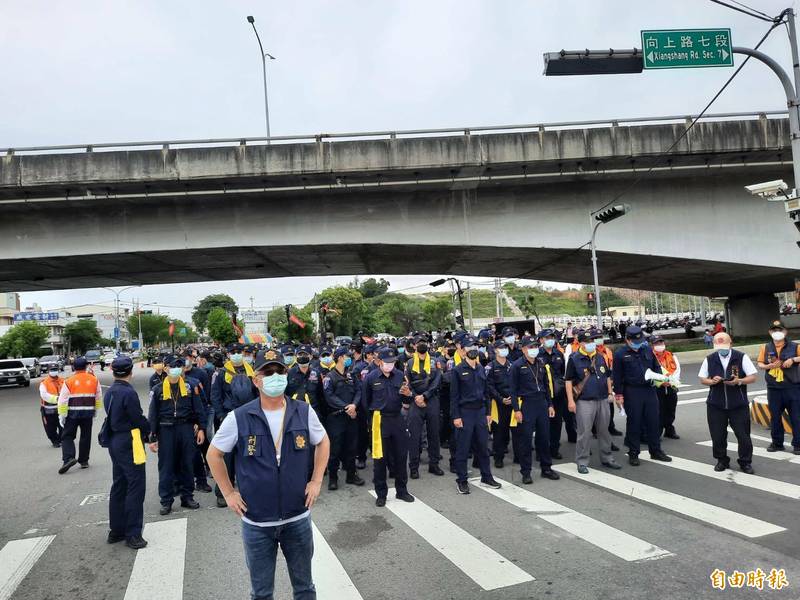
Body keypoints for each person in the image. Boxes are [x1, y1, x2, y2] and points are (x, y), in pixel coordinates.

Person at [207, 349, 330, 600]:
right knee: (261, 593)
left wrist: (317, 480)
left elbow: (323, 441)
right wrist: (229, 492)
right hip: (257, 524)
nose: (275, 377)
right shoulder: (239, 417)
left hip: (297, 519)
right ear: (256, 379)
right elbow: (214, 454)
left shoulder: (303, 411)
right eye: (268, 372)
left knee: (305, 588)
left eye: (279, 371)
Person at [148, 357, 206, 515]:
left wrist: (201, 428)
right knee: (166, 466)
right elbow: (153, 414)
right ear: (165, 369)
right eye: (172, 366)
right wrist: (152, 437)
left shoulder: (189, 386)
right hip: (165, 429)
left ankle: (187, 496)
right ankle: (166, 500)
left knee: (187, 463)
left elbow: (199, 409)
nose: (175, 369)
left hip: (186, 427)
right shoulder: (158, 389)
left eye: (179, 366)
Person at [104, 356, 151, 550]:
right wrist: (150, 430)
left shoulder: (110, 391)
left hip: (115, 440)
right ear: (131, 371)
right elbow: (137, 418)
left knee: (119, 484)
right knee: (135, 486)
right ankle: (133, 534)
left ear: (113, 371)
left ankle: (116, 531)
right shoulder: (128, 393)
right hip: (130, 440)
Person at [361, 348, 416, 506]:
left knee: (400, 456)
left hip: (397, 419)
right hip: (379, 420)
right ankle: (381, 493)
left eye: (392, 362)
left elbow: (408, 399)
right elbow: (365, 402)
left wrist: (408, 395)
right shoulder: (370, 378)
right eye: (387, 362)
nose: (390, 365)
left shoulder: (400, 375)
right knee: (380, 459)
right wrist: (370, 422)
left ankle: (402, 490)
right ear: (379, 362)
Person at [612, 326, 671, 466]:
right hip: (632, 391)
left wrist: (661, 379)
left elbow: (656, 367)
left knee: (653, 421)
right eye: (635, 341)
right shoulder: (620, 354)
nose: (638, 343)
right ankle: (633, 452)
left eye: (640, 340)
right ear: (627, 339)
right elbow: (617, 376)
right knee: (634, 422)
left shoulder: (647, 350)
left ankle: (655, 451)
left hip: (649, 390)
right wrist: (619, 395)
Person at [699, 332, 757, 472]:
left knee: (743, 436)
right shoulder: (710, 359)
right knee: (717, 435)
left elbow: (753, 377)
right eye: (719, 346)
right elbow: (702, 379)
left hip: (738, 404)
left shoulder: (741, 357)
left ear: (731, 343)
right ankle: (722, 460)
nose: (722, 349)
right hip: (716, 404)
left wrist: (740, 381)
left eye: (724, 345)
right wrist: (712, 381)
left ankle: (745, 462)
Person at [451, 335, 502, 494]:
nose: (473, 349)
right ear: (463, 350)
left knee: (483, 446)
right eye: (469, 347)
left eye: (475, 347)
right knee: (463, 448)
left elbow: (486, 392)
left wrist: (487, 412)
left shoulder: (481, 368)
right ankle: (462, 480)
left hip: (480, 412)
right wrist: (456, 417)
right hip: (465, 413)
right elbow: (454, 396)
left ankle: (486, 476)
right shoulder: (457, 370)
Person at [566, 332, 621, 474]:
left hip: (602, 398)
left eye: (593, 340)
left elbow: (607, 376)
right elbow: (568, 381)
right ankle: (582, 461)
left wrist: (610, 393)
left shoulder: (600, 356)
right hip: (585, 401)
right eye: (589, 341)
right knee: (584, 432)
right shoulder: (574, 358)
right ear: (582, 343)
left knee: (604, 430)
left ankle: (607, 458)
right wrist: (571, 401)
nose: (592, 343)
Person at [211, 344, 258, 508]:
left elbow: (258, 393)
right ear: (229, 355)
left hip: (251, 416)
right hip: (229, 416)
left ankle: (251, 489)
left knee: (251, 451)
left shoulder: (253, 371)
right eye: (234, 353)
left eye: (241, 352)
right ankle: (223, 492)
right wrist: (221, 416)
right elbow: (215, 396)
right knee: (226, 456)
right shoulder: (221, 373)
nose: (237, 355)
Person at [510, 336, 559, 484]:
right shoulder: (517, 366)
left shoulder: (541, 363)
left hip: (542, 403)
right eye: (530, 347)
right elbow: (512, 390)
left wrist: (550, 404)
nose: (534, 349)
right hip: (526, 404)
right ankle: (526, 472)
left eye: (535, 346)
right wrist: (517, 410)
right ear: (523, 349)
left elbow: (546, 386)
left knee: (544, 438)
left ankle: (546, 468)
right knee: (525, 440)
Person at [322, 347, 365, 490]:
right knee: (335, 449)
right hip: (337, 418)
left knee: (352, 447)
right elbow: (329, 397)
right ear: (340, 357)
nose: (350, 358)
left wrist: (354, 405)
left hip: (352, 416)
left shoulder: (352, 375)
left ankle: (351, 475)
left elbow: (359, 391)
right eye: (347, 356)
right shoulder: (330, 377)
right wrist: (347, 407)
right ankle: (333, 478)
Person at [756, 320, 800, 454]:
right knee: (775, 417)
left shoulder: (795, 346)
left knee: (796, 417)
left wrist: (792, 360)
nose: (777, 333)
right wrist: (768, 366)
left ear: (785, 332)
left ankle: (798, 444)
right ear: (770, 332)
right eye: (774, 330)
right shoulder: (765, 347)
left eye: (780, 330)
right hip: (774, 388)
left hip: (792, 387)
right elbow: (760, 364)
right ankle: (777, 443)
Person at [406, 335, 444, 479]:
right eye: (418, 343)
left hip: (431, 400)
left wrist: (425, 396)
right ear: (414, 346)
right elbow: (407, 383)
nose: (422, 344)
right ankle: (414, 467)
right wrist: (416, 397)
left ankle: (434, 465)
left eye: (424, 342)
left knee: (434, 434)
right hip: (415, 401)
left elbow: (437, 380)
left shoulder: (435, 361)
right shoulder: (409, 363)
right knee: (414, 436)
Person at [57, 356, 102, 474]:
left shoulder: (69, 381)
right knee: (85, 436)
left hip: (72, 413)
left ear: (73, 367)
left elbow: (63, 399)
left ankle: (69, 458)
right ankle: (84, 461)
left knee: (67, 436)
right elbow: (98, 397)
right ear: (86, 366)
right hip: (88, 413)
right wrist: (96, 411)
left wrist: (62, 415)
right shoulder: (94, 380)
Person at [538, 328, 574, 459]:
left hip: (558, 394)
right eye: (547, 338)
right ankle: (542, 450)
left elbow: (563, 372)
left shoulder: (558, 353)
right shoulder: (537, 355)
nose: (550, 340)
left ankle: (554, 448)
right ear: (541, 340)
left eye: (552, 338)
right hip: (543, 394)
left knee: (557, 423)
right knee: (542, 424)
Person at [485, 339, 514, 468]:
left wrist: (512, 398)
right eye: (501, 347)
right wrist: (501, 399)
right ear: (496, 350)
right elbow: (489, 386)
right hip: (498, 404)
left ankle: (518, 456)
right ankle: (498, 457)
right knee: (499, 433)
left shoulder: (512, 365)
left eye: (505, 347)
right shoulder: (490, 367)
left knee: (515, 430)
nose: (504, 350)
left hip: (512, 402)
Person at [651, 336, 681, 440]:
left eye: (661, 343)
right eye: (657, 343)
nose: (660, 345)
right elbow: (649, 373)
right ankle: (657, 432)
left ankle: (669, 430)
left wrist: (671, 381)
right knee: (658, 411)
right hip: (658, 387)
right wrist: (661, 382)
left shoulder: (671, 355)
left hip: (671, 386)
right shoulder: (650, 357)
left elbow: (677, 370)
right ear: (652, 345)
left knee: (670, 410)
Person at [39, 367, 64, 447]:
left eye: (55, 370)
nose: (54, 372)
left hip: (61, 409)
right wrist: (57, 399)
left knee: (63, 426)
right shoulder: (44, 383)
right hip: (48, 410)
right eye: (52, 370)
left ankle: (62, 439)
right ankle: (55, 441)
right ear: (49, 371)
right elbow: (44, 395)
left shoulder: (62, 381)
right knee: (50, 428)